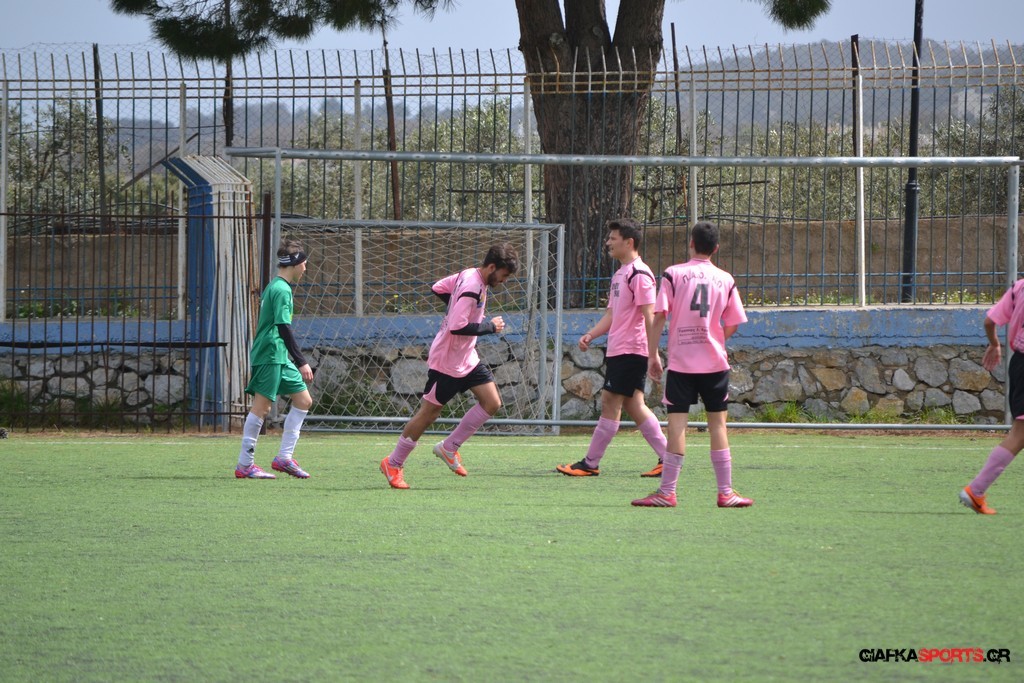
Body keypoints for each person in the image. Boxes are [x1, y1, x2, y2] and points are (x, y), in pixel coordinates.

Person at [632, 221, 754, 508]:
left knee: (677, 427)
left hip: (682, 364)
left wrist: (652, 355)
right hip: (714, 363)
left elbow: (659, 316)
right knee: (718, 426)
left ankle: (667, 493)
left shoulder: (673, 274)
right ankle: (725, 493)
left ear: (690, 243)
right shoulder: (726, 278)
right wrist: (714, 338)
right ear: (716, 248)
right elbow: (734, 323)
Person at [380, 243, 519, 489]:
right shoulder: (472, 287)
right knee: (428, 414)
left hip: (467, 358)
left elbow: (438, 287)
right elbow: (456, 326)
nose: (504, 281)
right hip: (447, 362)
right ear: (491, 267)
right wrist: (490, 326)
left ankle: (449, 447)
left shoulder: (470, 274)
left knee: (492, 402)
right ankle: (393, 462)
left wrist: (457, 308)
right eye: (504, 275)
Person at [556, 218, 667, 478]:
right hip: (620, 350)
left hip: (631, 350)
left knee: (609, 402)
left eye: (613, 238)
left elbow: (650, 316)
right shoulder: (620, 274)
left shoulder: (640, 274)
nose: (608, 242)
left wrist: (653, 354)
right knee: (634, 405)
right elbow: (612, 314)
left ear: (629, 242)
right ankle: (669, 458)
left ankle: (590, 463)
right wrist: (591, 334)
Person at [234, 238, 315, 479]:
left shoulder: (279, 287)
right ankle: (245, 465)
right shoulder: (281, 289)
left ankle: (284, 458)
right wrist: (301, 361)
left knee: (303, 400)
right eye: (304, 263)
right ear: (295, 263)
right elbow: (283, 327)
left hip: (278, 354)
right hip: (270, 353)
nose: (305, 268)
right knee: (262, 408)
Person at [958, 279, 1024, 514]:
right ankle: (975, 490)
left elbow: (989, 321)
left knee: (1019, 434)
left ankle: (976, 490)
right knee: (1019, 435)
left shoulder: (1019, 288)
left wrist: (995, 344)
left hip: (1019, 364)